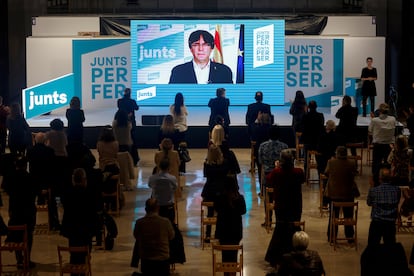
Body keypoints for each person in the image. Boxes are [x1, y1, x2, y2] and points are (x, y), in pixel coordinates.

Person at [265, 149, 305, 267]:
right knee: (293, 227)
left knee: (280, 228)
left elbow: (268, 180)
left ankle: (275, 256)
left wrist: (276, 167)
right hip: (295, 205)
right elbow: (302, 179)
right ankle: (295, 253)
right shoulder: (298, 172)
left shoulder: (277, 173)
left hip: (281, 205)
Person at [60, 168, 98, 270]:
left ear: (73, 180)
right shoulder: (90, 194)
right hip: (86, 231)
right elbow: (94, 213)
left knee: (74, 255)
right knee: (84, 256)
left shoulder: (67, 194)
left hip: (71, 231)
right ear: (84, 180)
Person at [3, 156, 37, 268]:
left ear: (15, 165)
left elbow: (5, 189)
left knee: (16, 233)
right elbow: (35, 192)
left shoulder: (10, 176)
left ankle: (19, 259)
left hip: (15, 209)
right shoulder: (30, 177)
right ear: (25, 165)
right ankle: (27, 258)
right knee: (29, 234)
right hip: (28, 210)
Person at [169, 30, 233, 84]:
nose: (201, 49)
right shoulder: (178, 71)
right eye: (196, 45)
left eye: (205, 45)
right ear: (190, 48)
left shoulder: (224, 71)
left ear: (212, 48)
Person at [132, 198, 174, 276]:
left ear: (145, 209)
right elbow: (171, 236)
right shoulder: (165, 222)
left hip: (146, 260)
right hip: (162, 261)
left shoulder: (139, 222)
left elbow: (136, 236)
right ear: (158, 208)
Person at [214, 175, 246, 276]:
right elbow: (243, 211)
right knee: (233, 255)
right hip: (236, 232)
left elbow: (216, 209)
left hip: (223, 231)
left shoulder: (220, 198)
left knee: (225, 256)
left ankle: (226, 274)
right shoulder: (239, 198)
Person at [325, 146, 358, 244]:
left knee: (333, 215)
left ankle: (332, 236)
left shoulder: (331, 162)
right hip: (348, 194)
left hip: (334, 195)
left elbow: (326, 173)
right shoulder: (351, 163)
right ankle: (349, 236)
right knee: (348, 215)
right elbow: (355, 173)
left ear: (337, 153)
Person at [202, 143, 229, 243]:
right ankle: (220, 234)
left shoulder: (207, 164)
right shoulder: (225, 163)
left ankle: (208, 235)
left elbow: (205, 175)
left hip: (210, 191)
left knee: (210, 213)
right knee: (222, 213)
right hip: (222, 191)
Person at [367, 166, 400, 246]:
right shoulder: (397, 190)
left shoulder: (374, 190)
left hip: (377, 222)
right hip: (390, 223)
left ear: (380, 178)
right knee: (390, 246)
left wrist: (371, 186)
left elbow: (369, 203)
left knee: (372, 246)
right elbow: (397, 202)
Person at [368, 103, 396, 186]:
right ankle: (388, 180)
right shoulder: (392, 119)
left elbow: (370, 130)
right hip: (388, 145)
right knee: (388, 163)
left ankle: (376, 181)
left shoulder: (375, 120)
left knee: (376, 163)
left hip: (378, 145)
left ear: (379, 111)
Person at [148, 158, 178, 223]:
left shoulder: (152, 178)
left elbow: (150, 185)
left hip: (155, 206)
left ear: (159, 167)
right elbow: (175, 188)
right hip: (168, 207)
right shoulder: (172, 178)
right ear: (169, 167)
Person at [301, 100, 325, 177]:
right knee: (320, 160)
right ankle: (320, 175)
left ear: (308, 107)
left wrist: (306, 112)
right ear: (316, 107)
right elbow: (322, 128)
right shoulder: (320, 115)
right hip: (318, 143)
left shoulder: (305, 116)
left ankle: (306, 176)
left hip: (307, 142)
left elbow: (302, 127)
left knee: (306, 160)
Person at [117, 87, 140, 166]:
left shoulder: (120, 101)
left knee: (122, 139)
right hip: (131, 123)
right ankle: (134, 159)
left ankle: (121, 158)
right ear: (130, 93)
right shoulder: (132, 101)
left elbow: (119, 108)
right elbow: (137, 108)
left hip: (121, 123)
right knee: (132, 141)